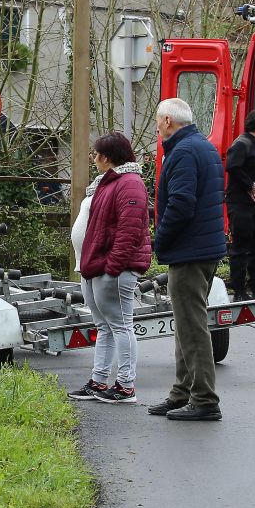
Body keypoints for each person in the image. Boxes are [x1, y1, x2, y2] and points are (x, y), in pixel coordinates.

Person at [147, 98, 227, 421]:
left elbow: (180, 204)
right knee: (185, 323)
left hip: (189, 251)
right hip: (204, 248)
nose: (156, 127)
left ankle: (205, 398)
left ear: (167, 120)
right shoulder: (202, 147)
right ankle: (183, 391)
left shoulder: (181, 152)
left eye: (157, 121)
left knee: (192, 327)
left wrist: (159, 240)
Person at [67, 132, 152, 405]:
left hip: (111, 269)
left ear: (107, 156)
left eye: (96, 153)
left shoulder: (129, 183)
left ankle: (126, 386)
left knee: (121, 325)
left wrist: (112, 267)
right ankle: (98, 381)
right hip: (94, 266)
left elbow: (129, 231)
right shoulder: (106, 182)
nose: (93, 158)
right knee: (104, 326)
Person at [225, 109, 255, 301]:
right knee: (241, 248)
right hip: (240, 204)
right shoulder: (242, 144)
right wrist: (249, 184)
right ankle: (239, 290)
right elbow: (232, 166)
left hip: (254, 205)